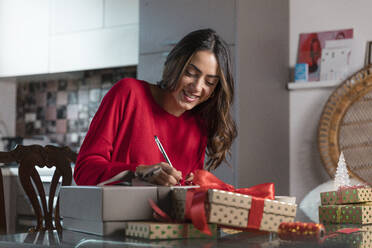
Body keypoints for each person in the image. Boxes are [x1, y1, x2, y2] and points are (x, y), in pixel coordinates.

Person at [74, 29, 237, 186]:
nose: (197, 87)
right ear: (175, 64)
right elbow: (84, 171)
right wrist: (138, 172)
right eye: (190, 73)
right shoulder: (128, 93)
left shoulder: (198, 125)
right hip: (115, 213)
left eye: (209, 82)